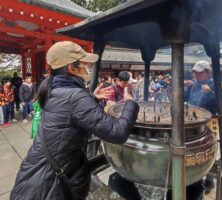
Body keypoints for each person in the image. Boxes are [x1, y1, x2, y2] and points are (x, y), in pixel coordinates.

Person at [11, 41, 139, 200]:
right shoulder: (75, 96)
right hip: (48, 185)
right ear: (72, 68)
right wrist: (130, 103)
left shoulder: (54, 89)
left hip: (36, 175)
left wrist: (91, 98)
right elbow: (118, 133)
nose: (88, 69)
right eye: (85, 65)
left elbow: (66, 113)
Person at [184, 60, 222, 193]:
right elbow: (186, 99)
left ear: (207, 73)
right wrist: (182, 87)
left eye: (199, 72)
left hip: (208, 123)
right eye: (195, 72)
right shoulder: (194, 85)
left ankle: (208, 179)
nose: (195, 75)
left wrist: (211, 93)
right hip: (191, 121)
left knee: (207, 150)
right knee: (191, 149)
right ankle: (192, 176)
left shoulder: (215, 85)